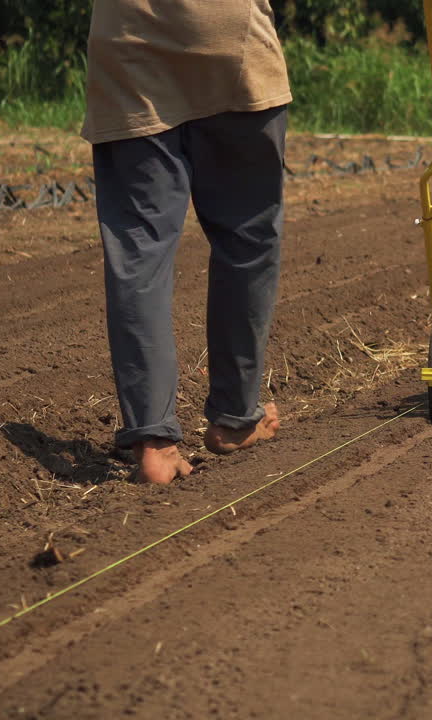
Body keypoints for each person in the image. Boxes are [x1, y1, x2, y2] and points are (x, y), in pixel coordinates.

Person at [82, 0, 293, 484]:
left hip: (128, 43)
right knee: (247, 238)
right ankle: (236, 417)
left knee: (139, 252)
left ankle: (155, 443)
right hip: (229, 39)